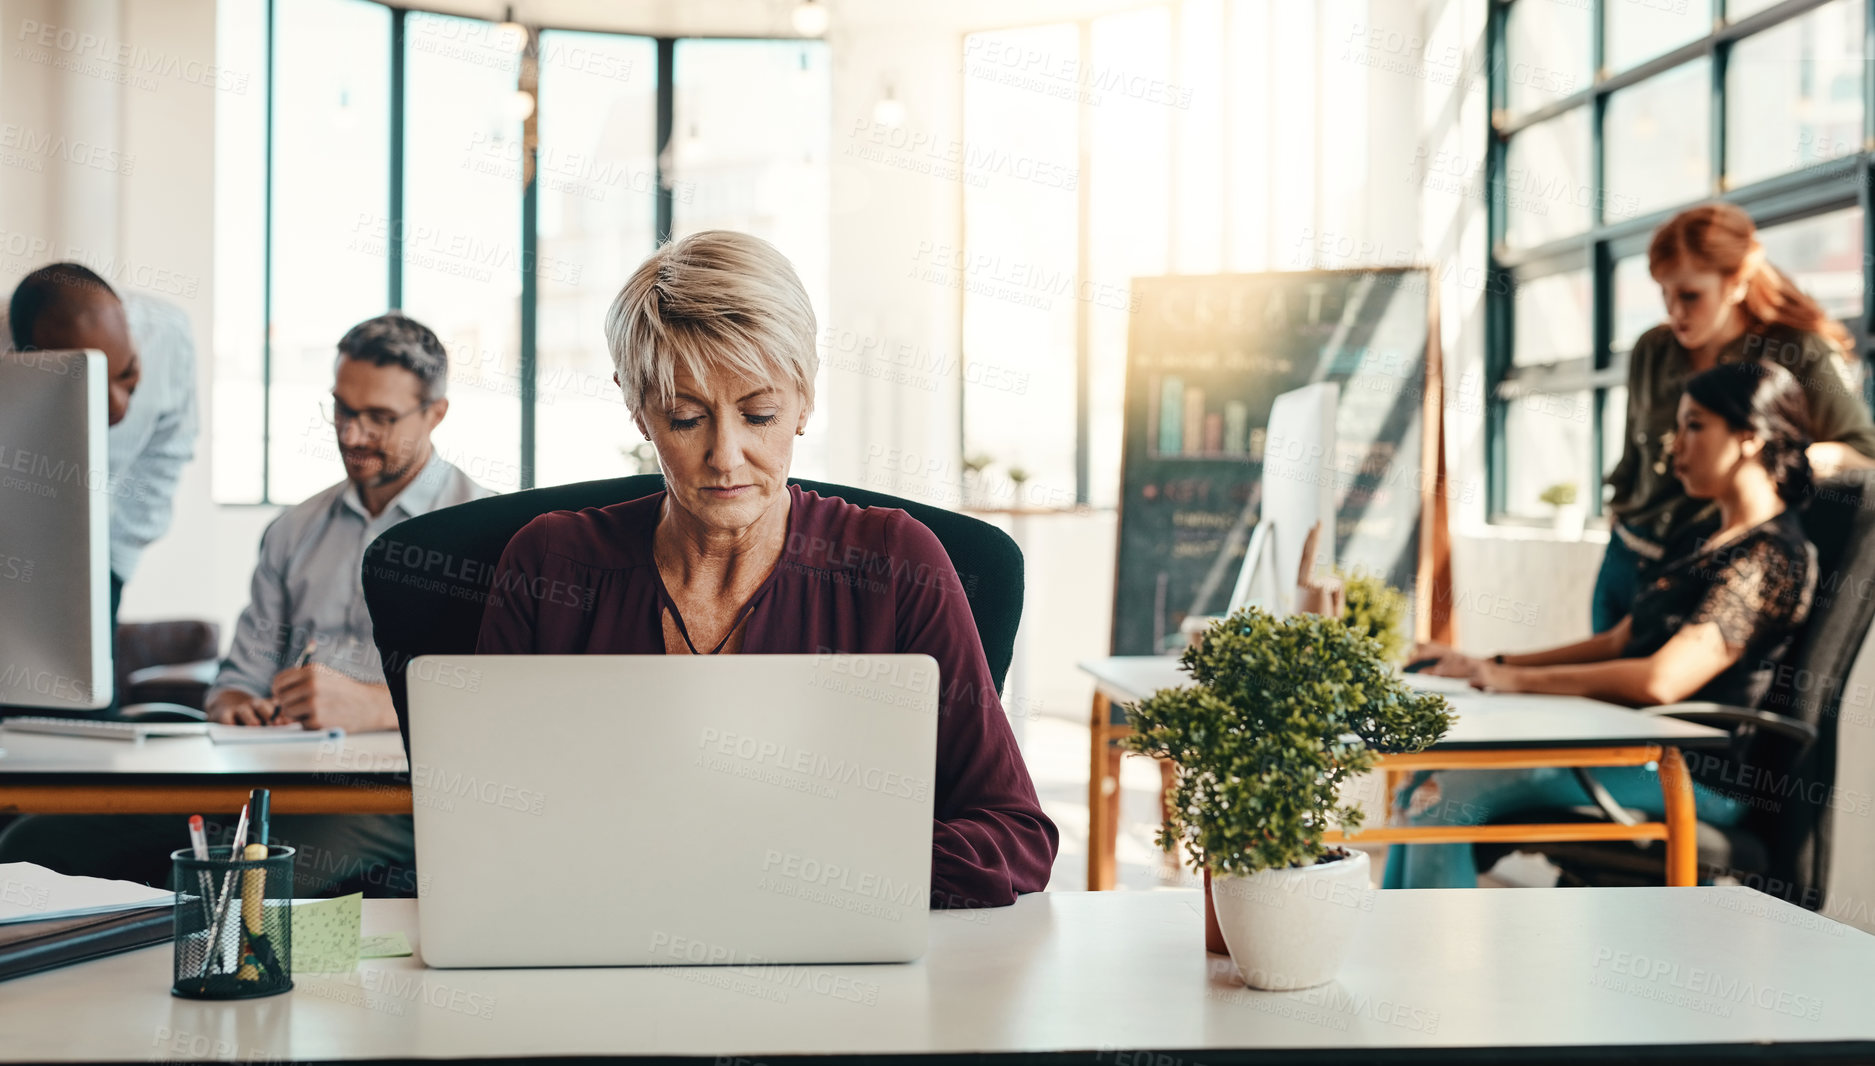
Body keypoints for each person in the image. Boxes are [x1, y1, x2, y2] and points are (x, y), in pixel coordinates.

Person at [475, 230, 1059, 908]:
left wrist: (814, 867)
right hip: (604, 947)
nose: (726, 455)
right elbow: (485, 824)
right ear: (637, 410)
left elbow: (1014, 836)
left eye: (759, 414)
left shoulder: (895, 564)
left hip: (831, 961)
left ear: (804, 400)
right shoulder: (551, 566)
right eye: (686, 418)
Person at [0, 313, 492, 894]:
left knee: (243, 881)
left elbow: (500, 702)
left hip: (396, 797)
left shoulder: (487, 531)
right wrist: (236, 701)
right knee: (34, 841)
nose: (353, 435)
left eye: (380, 418)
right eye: (342, 409)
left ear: (436, 413)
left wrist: (378, 705)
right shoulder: (294, 530)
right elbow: (241, 675)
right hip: (268, 777)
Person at [1390, 360, 1818, 889]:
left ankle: (1426, 969)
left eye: (1694, 425)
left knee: (1448, 801)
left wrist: (1514, 681)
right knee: (1420, 790)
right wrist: (1491, 664)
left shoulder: (1771, 556)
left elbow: (1661, 680)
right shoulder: (1704, 541)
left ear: (1750, 437)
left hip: (1695, 778)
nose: (1673, 446)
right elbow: (1619, 640)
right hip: (1642, 754)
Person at [1594, 203, 1875, 633]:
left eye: (1690, 295)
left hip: (1703, 572)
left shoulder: (1799, 351)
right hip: (1624, 558)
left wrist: (1793, 461)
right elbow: (1631, 460)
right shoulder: (1652, 349)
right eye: (1664, 294)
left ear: (1737, 283)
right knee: (1590, 692)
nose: (1675, 312)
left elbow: (1864, 455)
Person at [6, 263, 198, 635]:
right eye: (89, 387)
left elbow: (170, 448)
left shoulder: (168, 336)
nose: (118, 408)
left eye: (128, 375)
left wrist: (114, 563)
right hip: (13, 552)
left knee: (91, 688)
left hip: (105, 554)